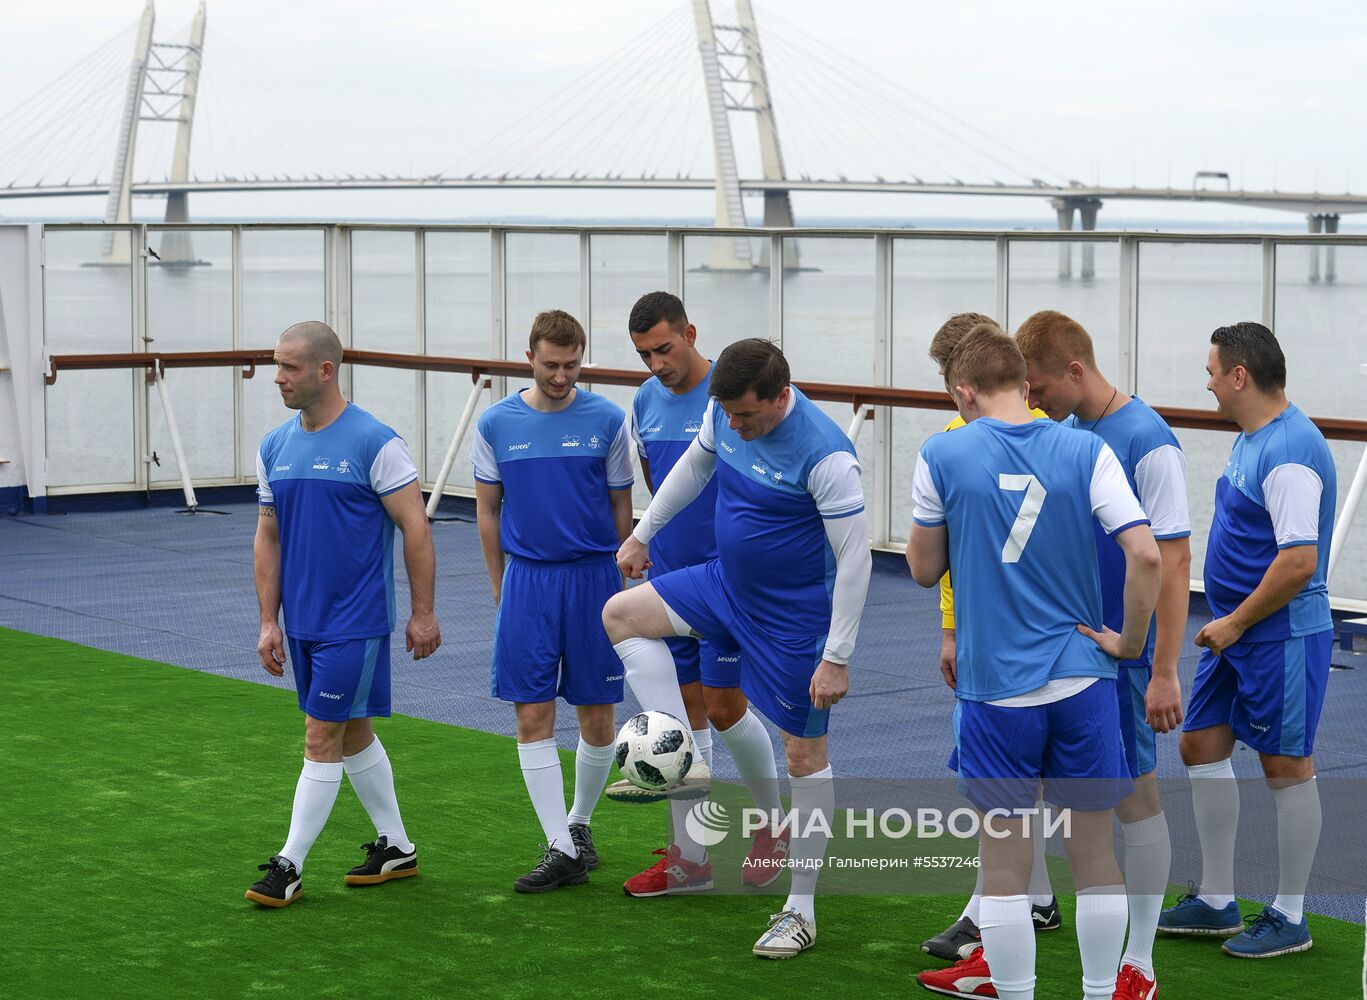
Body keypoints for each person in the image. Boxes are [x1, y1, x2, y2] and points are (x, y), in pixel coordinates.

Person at [907, 324, 1160, 1000]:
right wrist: (1128, 643)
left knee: (1005, 867)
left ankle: (1015, 990)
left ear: (963, 392)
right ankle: (1101, 991)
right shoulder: (1086, 448)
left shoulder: (942, 452)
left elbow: (923, 570)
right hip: (1082, 677)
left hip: (996, 689)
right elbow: (1146, 554)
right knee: (1094, 855)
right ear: (1025, 383)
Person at [603, 337, 871, 958]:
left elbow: (856, 559)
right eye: (727, 412)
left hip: (792, 621)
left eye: (746, 415)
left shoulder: (828, 454)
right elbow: (696, 466)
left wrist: (837, 656)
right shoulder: (723, 411)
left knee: (804, 754)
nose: (735, 425)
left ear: (781, 396)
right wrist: (643, 534)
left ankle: (800, 911)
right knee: (622, 615)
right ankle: (673, 747)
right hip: (723, 586)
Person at [1015, 309, 1191, 999]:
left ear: (1074, 369)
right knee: (1042, 790)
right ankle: (1013, 925)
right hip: (1065, 652)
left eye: (1037, 387)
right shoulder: (1063, 434)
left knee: (1134, 798)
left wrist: (1163, 670)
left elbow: (1173, 564)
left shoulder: (1148, 440)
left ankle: (1138, 964)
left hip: (1125, 656)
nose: (1031, 400)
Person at [1157, 321, 1336, 958]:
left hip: (1278, 635)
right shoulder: (1253, 436)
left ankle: (1291, 914)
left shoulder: (1288, 451)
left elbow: (1299, 562)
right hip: (1236, 634)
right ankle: (1216, 899)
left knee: (1285, 765)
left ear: (1239, 376)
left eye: (1212, 372)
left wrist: (1234, 623)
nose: (1206, 383)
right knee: (1201, 744)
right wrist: (1230, 626)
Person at [247, 321, 441, 908]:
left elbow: (415, 527)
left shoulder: (376, 443)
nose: (278, 378)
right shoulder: (274, 446)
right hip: (301, 624)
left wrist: (423, 613)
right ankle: (397, 846)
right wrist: (268, 621)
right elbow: (268, 535)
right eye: (277, 365)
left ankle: (289, 865)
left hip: (355, 623)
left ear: (325, 370)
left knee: (320, 735)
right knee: (354, 731)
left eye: (289, 367)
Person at [617, 291, 788, 897]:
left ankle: (773, 825)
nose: (656, 364)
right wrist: (647, 539)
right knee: (684, 714)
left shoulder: (732, 396)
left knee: (721, 706)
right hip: (671, 577)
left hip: (727, 582)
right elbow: (659, 479)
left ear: (690, 333)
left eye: (664, 348)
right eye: (644, 354)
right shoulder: (644, 399)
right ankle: (691, 859)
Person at [916, 313, 1063, 975]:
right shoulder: (1046, 433)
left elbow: (934, 561)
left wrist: (953, 629)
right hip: (1022, 631)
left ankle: (988, 915)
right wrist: (951, 630)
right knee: (1012, 779)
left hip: (1004, 639)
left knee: (998, 786)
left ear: (963, 383)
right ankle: (1037, 898)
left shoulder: (953, 445)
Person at [470, 309, 634, 893]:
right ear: (529, 359)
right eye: (550, 365)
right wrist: (499, 583)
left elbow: (621, 505)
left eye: (571, 365)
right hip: (528, 582)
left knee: (597, 713)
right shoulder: (495, 423)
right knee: (531, 712)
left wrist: (620, 580)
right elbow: (487, 510)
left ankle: (579, 825)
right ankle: (560, 847)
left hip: (595, 580)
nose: (561, 376)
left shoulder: (608, 419)